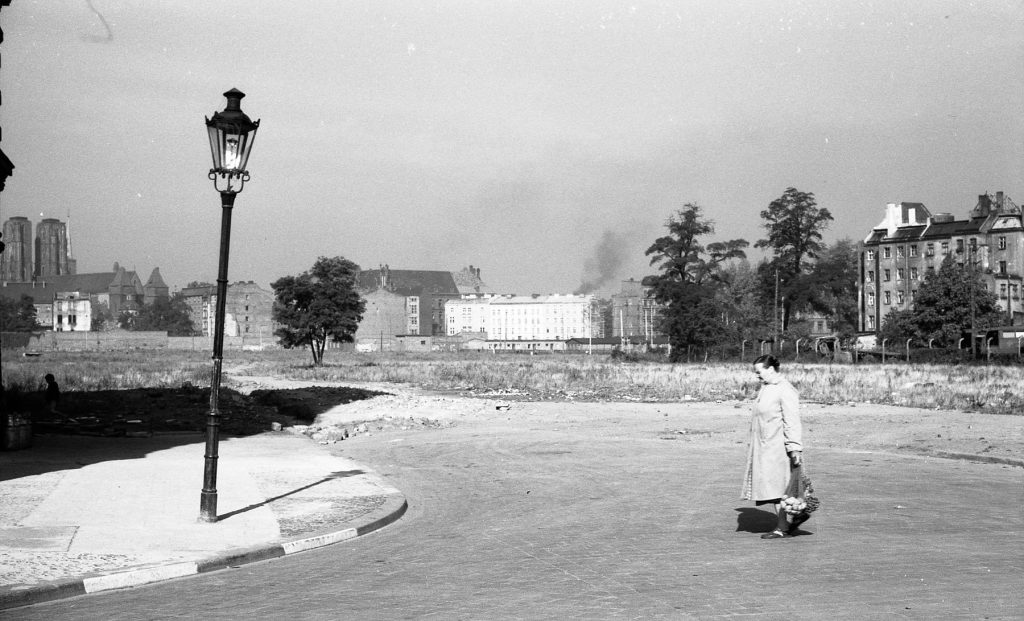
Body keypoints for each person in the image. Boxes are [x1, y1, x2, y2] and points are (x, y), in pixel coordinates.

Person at [740, 354, 807, 539]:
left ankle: (784, 526)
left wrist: (794, 447)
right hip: (766, 447)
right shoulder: (767, 388)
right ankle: (789, 522)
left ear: (770, 369)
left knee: (781, 489)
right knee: (775, 488)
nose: (757, 376)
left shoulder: (785, 389)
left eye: (759, 372)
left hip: (778, 448)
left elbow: (792, 421)